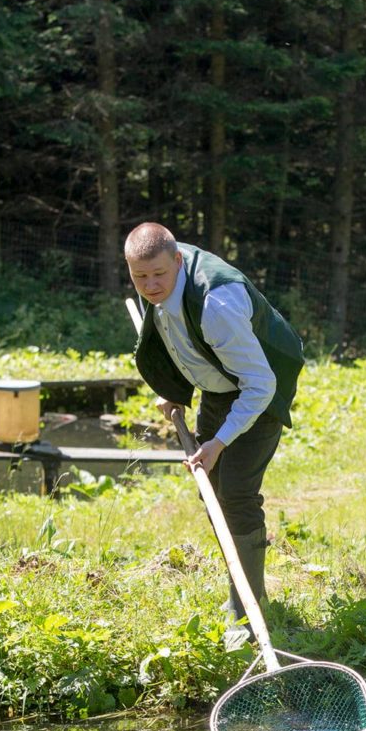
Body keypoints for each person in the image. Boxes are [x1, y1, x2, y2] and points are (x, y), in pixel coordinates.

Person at [124, 222, 304, 636]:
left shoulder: (216, 305)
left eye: (158, 275)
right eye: (140, 277)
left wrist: (219, 442)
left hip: (260, 386)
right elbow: (174, 334)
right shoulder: (155, 267)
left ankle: (245, 611)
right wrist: (174, 387)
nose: (150, 285)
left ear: (178, 260)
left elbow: (260, 386)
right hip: (219, 387)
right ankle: (240, 585)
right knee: (214, 494)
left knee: (237, 494)